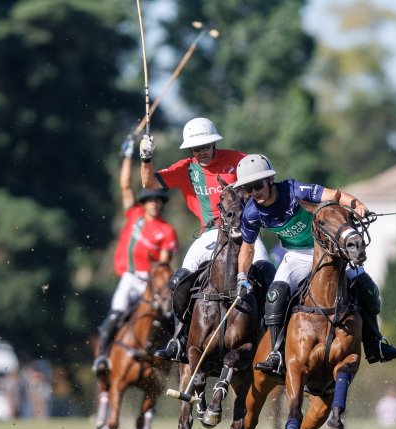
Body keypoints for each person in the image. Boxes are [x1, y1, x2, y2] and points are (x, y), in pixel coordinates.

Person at [233, 154, 396, 375]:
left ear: (270, 180)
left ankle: (376, 343)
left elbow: (334, 196)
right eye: (248, 189)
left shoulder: (294, 191)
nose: (254, 192)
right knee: (275, 295)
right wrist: (241, 277)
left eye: (257, 185)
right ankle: (276, 353)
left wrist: (359, 206)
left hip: (327, 250)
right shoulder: (251, 212)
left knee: (367, 288)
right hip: (295, 255)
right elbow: (247, 248)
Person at [137, 118, 273, 362]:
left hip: (245, 230)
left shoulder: (237, 160)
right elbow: (148, 183)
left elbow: (263, 180)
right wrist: (146, 158)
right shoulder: (186, 168)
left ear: (213, 144)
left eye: (205, 147)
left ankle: (272, 339)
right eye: (195, 148)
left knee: (267, 272)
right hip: (209, 234)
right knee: (179, 280)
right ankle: (179, 339)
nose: (200, 152)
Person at [92, 136, 179, 374]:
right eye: (150, 200)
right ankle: (101, 357)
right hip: (131, 279)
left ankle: (170, 360)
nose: (154, 203)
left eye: (158, 200)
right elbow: (125, 186)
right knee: (116, 313)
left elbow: (163, 262)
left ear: (161, 204)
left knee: (168, 318)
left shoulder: (167, 231)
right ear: (145, 203)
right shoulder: (134, 216)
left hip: (152, 283)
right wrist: (128, 156)